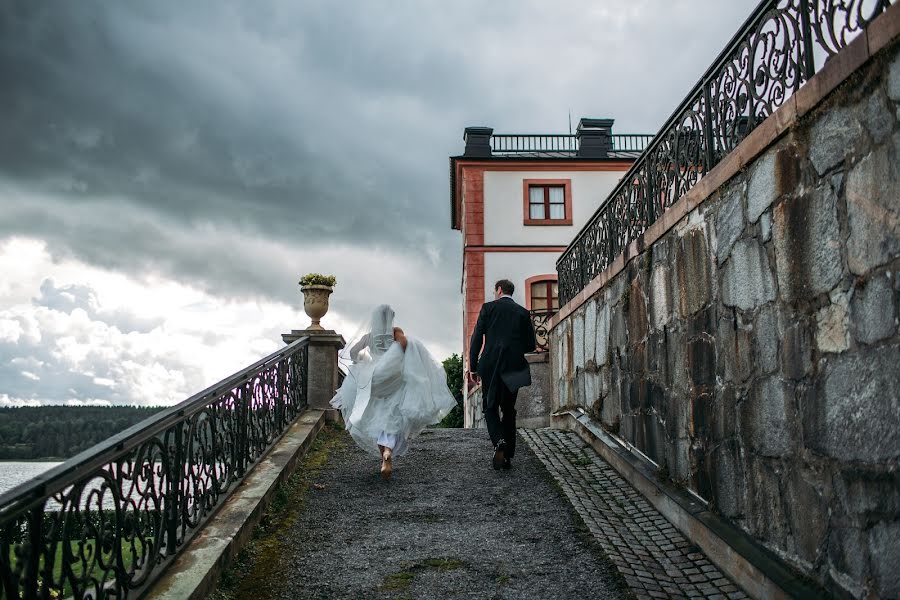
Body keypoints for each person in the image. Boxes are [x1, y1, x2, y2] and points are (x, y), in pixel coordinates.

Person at [330, 304, 457, 480]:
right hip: (392, 379)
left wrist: (364, 360)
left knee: (376, 414)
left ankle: (384, 457)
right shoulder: (395, 332)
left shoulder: (369, 337)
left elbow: (352, 352)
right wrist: (399, 357)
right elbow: (404, 344)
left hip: (374, 380)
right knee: (392, 416)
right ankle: (388, 452)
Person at [468, 279, 536, 470]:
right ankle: (507, 456)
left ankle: (499, 441)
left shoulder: (488, 308)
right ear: (510, 292)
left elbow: (476, 338)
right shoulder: (523, 312)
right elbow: (531, 344)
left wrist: (473, 367)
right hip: (513, 366)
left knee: (490, 407)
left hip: (490, 365)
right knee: (508, 409)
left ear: (498, 290)